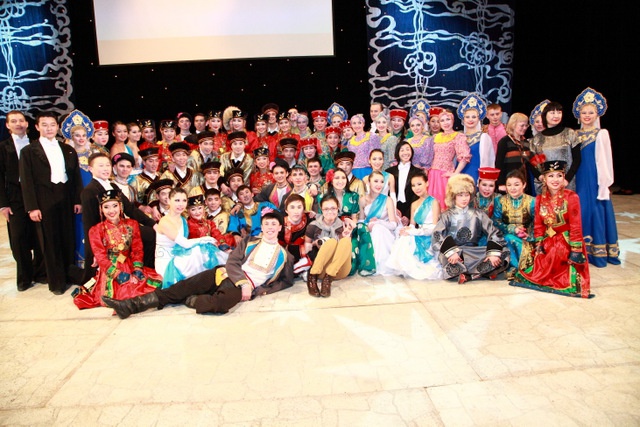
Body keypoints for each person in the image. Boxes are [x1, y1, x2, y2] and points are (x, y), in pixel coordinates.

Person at [102, 211, 294, 318]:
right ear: (262, 226)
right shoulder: (249, 241)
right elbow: (233, 261)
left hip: (241, 288)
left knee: (219, 305)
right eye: (266, 224)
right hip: (225, 274)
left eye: (273, 224)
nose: (270, 228)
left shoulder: (285, 256)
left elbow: (286, 281)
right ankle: (130, 306)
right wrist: (242, 281)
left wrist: (260, 290)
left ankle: (190, 300)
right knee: (177, 288)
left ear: (280, 227)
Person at [20, 111, 83, 295]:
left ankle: (70, 275)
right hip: (43, 199)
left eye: (52, 125)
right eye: (45, 125)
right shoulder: (29, 151)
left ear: (58, 127)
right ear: (37, 127)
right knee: (50, 241)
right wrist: (32, 207)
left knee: (67, 237)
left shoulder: (68, 149)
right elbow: (26, 181)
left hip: (66, 198)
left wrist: (77, 200)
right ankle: (56, 282)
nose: (49, 128)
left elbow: (75, 177)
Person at [510, 161, 591, 298]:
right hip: (548, 240)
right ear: (544, 179)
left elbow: (576, 226)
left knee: (557, 253)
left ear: (564, 177)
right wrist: (539, 243)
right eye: (551, 176)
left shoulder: (571, 197)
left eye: (559, 175)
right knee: (534, 269)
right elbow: (538, 225)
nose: (555, 180)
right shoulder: (540, 199)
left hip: (567, 241)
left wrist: (576, 250)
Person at [73, 189, 162, 309]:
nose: (111, 211)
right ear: (101, 209)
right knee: (126, 291)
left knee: (156, 283)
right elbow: (101, 258)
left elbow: (137, 249)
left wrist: (137, 269)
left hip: (129, 264)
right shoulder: (96, 230)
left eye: (115, 206)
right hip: (109, 269)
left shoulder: (132, 224)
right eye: (106, 207)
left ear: (120, 206)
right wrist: (118, 274)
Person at [81, 153, 158, 285]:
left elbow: (131, 209)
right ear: (90, 169)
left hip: (122, 228)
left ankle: (143, 269)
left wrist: (152, 224)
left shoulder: (113, 186)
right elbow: (89, 224)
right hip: (106, 234)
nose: (105, 169)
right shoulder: (89, 191)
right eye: (101, 166)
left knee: (150, 233)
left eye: (107, 165)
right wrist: (93, 252)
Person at [572, 87, 620, 267]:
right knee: (579, 210)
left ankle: (598, 251)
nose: (587, 116)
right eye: (584, 112)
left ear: (597, 114)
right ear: (579, 114)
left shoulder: (601, 134)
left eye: (591, 112)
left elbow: (605, 160)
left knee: (594, 210)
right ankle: (580, 251)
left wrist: (604, 184)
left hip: (593, 179)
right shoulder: (574, 134)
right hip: (577, 178)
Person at [432, 174, 509, 284]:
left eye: (466, 195)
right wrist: (451, 252)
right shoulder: (446, 215)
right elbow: (437, 235)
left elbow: (494, 232)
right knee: (448, 259)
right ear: (453, 196)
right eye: (460, 195)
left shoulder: (478, 214)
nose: (464, 199)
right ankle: (482, 272)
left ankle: (469, 275)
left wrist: (493, 253)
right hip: (457, 253)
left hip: (473, 251)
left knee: (504, 252)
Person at [0, 110, 45, 291]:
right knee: (18, 238)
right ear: (7, 125)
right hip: (15, 198)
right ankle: (24, 277)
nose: (18, 124)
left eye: (21, 120)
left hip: (36, 195)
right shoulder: (2, 148)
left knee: (39, 235)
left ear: (27, 124)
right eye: (14, 121)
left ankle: (40, 272)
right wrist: (3, 204)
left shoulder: (36, 145)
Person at [155, 187, 226, 288]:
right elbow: (185, 243)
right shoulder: (165, 221)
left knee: (204, 250)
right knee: (200, 250)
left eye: (184, 200)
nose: (181, 204)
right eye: (177, 200)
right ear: (169, 201)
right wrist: (206, 239)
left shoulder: (183, 220)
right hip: (168, 263)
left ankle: (222, 272)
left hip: (180, 255)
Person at [386, 171, 442, 280]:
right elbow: (412, 225)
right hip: (419, 233)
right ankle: (404, 267)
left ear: (427, 183)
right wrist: (406, 230)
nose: (416, 188)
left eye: (419, 184)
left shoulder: (434, 202)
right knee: (404, 237)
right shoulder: (414, 204)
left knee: (408, 237)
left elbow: (435, 227)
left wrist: (415, 231)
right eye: (413, 185)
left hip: (430, 236)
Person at [61, 110, 96, 271]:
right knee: (78, 227)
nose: (81, 138)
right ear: (71, 137)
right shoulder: (67, 155)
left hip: (93, 195)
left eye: (83, 135)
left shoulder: (94, 153)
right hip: (76, 197)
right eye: (77, 135)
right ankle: (79, 262)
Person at [305, 195, 354, 297]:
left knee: (345, 241)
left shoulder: (344, 225)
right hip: (321, 270)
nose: (330, 211)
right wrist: (315, 243)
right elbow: (306, 249)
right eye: (326, 209)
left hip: (340, 269)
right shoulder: (313, 226)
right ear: (321, 210)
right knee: (331, 242)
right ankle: (312, 278)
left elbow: (345, 250)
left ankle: (327, 280)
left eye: (333, 208)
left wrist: (345, 236)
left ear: (338, 208)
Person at [351, 170, 398, 276]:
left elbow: (393, 225)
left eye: (382, 182)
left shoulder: (388, 200)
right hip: (368, 231)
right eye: (376, 181)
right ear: (369, 182)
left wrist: (378, 222)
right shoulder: (362, 200)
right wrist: (368, 226)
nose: (379, 184)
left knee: (378, 229)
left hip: (385, 233)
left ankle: (379, 265)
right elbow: (361, 221)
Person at [529, 101, 581, 193]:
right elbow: (532, 162)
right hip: (545, 185)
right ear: (545, 115)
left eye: (559, 112)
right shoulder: (537, 139)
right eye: (552, 113)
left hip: (566, 183)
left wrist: (567, 179)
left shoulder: (569, 133)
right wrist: (540, 177)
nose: (556, 116)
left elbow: (577, 159)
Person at [492, 170, 536, 278]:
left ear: (524, 185)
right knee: (507, 238)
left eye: (516, 185)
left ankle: (520, 268)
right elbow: (496, 221)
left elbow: (538, 223)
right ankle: (516, 267)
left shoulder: (532, 201)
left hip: (527, 239)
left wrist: (529, 236)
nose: (512, 188)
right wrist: (512, 229)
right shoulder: (500, 201)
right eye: (509, 185)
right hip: (505, 237)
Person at [427, 109, 471, 209]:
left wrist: (455, 173)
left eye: (448, 119)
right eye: (442, 120)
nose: (445, 123)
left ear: (453, 120)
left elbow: (464, 156)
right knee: (432, 204)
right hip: (432, 174)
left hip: (445, 174)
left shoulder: (458, 136)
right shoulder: (436, 137)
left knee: (444, 203)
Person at [457, 93, 495, 183]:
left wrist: (485, 179)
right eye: (467, 117)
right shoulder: (458, 136)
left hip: (476, 176)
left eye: (474, 117)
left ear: (479, 119)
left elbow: (489, 160)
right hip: (458, 175)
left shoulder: (484, 137)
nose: (470, 119)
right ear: (463, 119)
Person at [495, 112, 533, 194]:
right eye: (522, 125)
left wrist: (540, 176)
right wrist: (501, 183)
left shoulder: (526, 143)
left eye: (526, 125)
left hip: (523, 184)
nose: (524, 128)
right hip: (508, 184)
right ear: (513, 125)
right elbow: (499, 164)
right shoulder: (504, 141)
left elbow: (530, 164)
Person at [386, 141, 422, 223]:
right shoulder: (389, 172)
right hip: (392, 209)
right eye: (402, 150)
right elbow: (386, 193)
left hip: (411, 209)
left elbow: (418, 195)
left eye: (407, 149)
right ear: (397, 153)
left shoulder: (418, 172)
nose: (405, 152)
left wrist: (408, 215)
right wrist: (393, 209)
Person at [345, 114, 381, 180]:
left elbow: (377, 154)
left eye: (359, 123)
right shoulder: (350, 142)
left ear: (363, 124)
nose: (357, 125)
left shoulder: (372, 136)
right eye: (354, 123)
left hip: (368, 170)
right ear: (351, 125)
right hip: (354, 172)